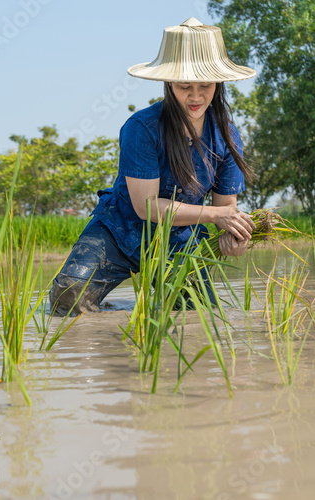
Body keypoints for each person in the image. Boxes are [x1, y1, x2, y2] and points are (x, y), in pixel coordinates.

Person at [49, 17, 257, 316]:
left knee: (194, 317)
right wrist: (216, 216)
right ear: (168, 83)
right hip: (119, 231)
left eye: (205, 85)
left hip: (179, 239)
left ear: (219, 84)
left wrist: (231, 234)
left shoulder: (227, 135)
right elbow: (146, 206)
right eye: (185, 85)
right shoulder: (142, 128)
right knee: (67, 296)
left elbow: (226, 207)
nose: (196, 96)